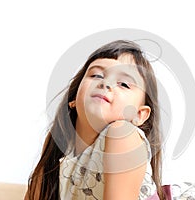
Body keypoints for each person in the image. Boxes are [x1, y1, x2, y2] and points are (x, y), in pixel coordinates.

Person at [25, 40, 166, 200]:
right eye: (97, 75)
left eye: (124, 84)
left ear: (139, 115)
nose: (105, 83)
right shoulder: (57, 141)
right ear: (73, 99)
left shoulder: (123, 135)